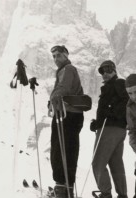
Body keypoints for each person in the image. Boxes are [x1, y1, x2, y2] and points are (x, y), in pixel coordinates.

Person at [49, 45, 84, 198]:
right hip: (70, 114)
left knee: (59, 150)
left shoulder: (68, 69)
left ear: (66, 55)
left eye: (59, 55)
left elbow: (64, 88)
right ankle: (67, 189)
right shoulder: (66, 70)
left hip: (66, 114)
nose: (56, 59)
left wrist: (52, 99)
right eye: (54, 56)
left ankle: (61, 189)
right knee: (68, 151)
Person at [90, 60, 129, 198]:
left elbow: (126, 101)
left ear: (114, 70)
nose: (104, 73)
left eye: (108, 70)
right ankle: (122, 194)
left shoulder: (118, 83)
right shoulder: (111, 86)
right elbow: (115, 105)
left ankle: (106, 194)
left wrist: (112, 113)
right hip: (117, 129)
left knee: (98, 162)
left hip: (110, 128)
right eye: (102, 71)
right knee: (115, 162)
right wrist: (97, 123)